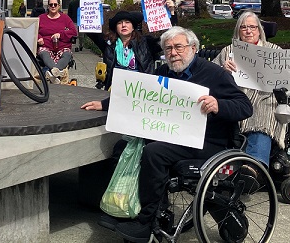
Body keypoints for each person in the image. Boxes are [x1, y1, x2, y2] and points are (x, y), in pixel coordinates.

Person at [81, 26, 253, 242]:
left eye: (179, 47)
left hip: (208, 141)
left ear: (193, 48)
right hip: (175, 136)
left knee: (154, 152)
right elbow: (140, 96)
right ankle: (124, 209)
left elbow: (245, 107)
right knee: (124, 146)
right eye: (168, 48)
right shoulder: (163, 72)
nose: (173, 53)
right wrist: (106, 104)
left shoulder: (214, 74)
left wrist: (219, 105)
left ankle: (146, 221)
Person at [214, 10, 290, 166]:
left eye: (252, 27)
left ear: (259, 30)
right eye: (243, 27)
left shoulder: (273, 50)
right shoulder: (228, 51)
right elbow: (209, 75)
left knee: (262, 117)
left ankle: (256, 167)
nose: (248, 31)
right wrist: (222, 69)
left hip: (265, 99)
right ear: (238, 31)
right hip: (235, 97)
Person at [100, 11, 160, 90]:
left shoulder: (145, 43)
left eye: (127, 22)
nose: (123, 25)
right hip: (115, 91)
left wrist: (172, 14)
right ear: (115, 28)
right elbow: (91, 31)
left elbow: (168, 39)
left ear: (133, 27)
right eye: (119, 23)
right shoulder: (109, 44)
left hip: (140, 90)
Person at [37, 0, 78, 83]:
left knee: (67, 54)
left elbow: (74, 32)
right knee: (44, 53)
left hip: (62, 46)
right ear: (48, 6)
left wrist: (61, 34)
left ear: (59, 6)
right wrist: (39, 38)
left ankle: (52, 74)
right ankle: (57, 73)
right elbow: (34, 31)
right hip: (46, 46)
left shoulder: (65, 18)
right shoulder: (41, 18)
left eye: (55, 4)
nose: (53, 6)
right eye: (51, 4)